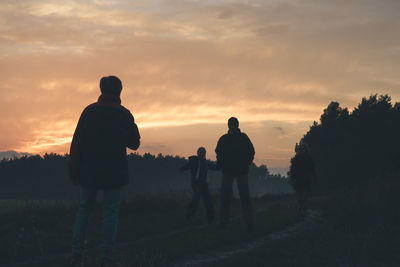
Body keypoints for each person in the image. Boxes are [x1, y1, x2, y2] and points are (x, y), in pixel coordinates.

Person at [68, 76, 140, 267]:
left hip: (89, 171)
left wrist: (74, 169)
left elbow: (76, 143)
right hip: (115, 173)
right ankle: (107, 258)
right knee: (110, 213)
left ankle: (76, 255)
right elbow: (134, 143)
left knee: (84, 209)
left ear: (101, 90)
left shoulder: (89, 111)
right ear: (120, 91)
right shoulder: (124, 114)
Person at [215, 117, 255, 230]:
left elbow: (218, 153)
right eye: (232, 125)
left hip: (232, 171)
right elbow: (251, 151)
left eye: (232, 125)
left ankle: (225, 222)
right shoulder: (243, 138)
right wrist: (246, 163)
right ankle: (247, 222)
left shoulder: (224, 139)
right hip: (238, 171)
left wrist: (222, 164)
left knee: (228, 197)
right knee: (240, 197)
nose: (232, 126)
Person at [180, 147, 220, 224]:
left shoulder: (205, 163)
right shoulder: (194, 161)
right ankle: (190, 217)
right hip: (197, 184)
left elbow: (214, 167)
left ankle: (209, 218)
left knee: (207, 201)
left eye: (203, 153)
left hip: (204, 185)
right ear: (199, 153)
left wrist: (222, 167)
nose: (202, 154)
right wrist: (182, 169)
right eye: (201, 152)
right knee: (197, 200)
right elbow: (188, 166)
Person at [288, 143, 317, 217]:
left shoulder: (309, 159)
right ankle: (301, 210)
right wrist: (292, 178)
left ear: (306, 150)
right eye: (301, 149)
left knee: (305, 196)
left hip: (306, 180)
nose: (302, 151)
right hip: (298, 180)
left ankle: (304, 209)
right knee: (300, 196)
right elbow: (293, 170)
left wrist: (315, 178)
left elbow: (312, 169)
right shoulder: (296, 159)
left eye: (303, 149)